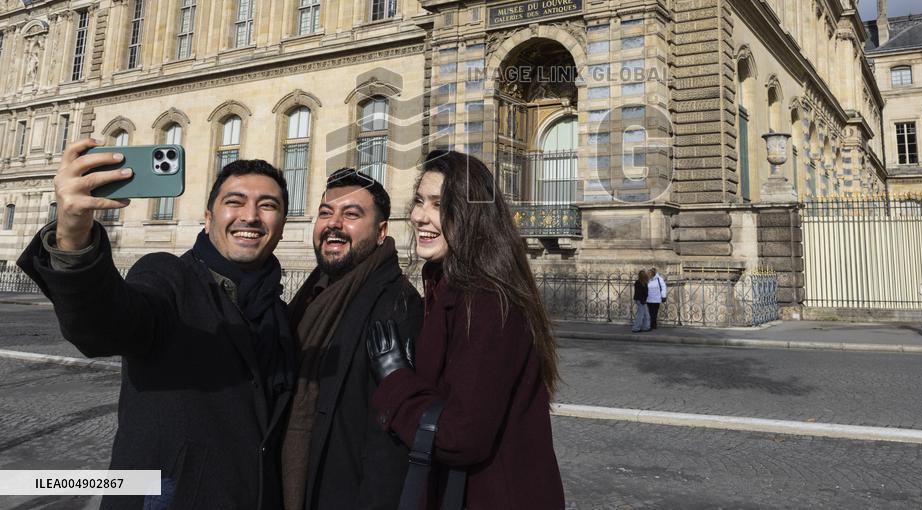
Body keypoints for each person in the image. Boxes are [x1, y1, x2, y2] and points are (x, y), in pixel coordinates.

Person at [17, 140, 296, 509]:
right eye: (235, 201)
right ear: (208, 218)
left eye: (268, 206)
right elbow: (103, 324)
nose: (251, 216)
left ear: (281, 225)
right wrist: (73, 236)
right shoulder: (167, 276)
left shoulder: (281, 314)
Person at [369, 150, 564, 510]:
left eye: (439, 204)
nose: (419, 216)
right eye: (418, 201)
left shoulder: (486, 301)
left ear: (473, 215)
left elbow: (460, 435)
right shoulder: (450, 288)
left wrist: (396, 381)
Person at [282, 168, 423, 510]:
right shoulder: (310, 295)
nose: (334, 223)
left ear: (381, 232)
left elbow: (389, 446)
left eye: (351, 214)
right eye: (325, 213)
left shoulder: (397, 306)